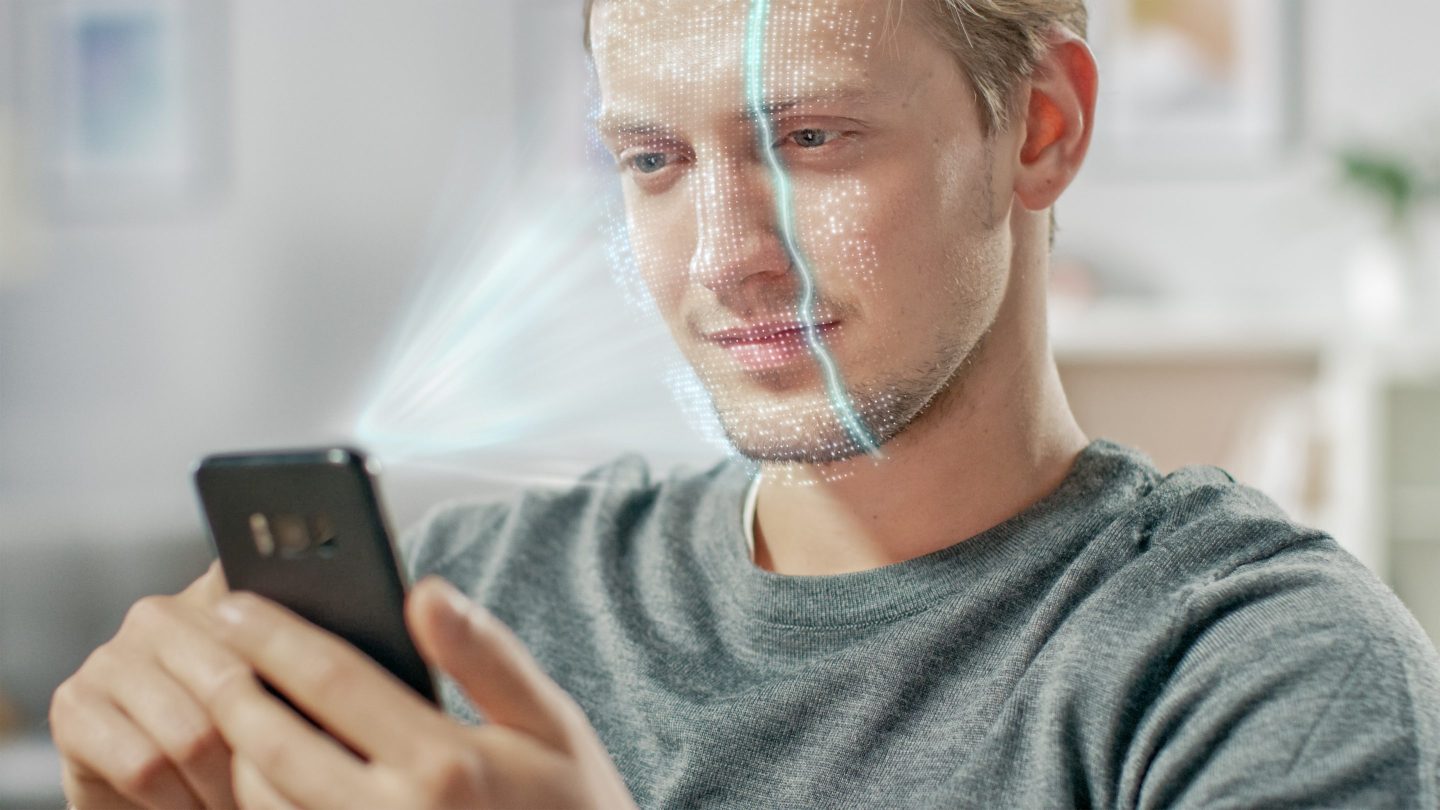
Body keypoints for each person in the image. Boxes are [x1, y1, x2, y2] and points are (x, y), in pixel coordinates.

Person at [50, 0, 1440, 807]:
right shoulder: (469, 611)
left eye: (812, 140)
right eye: (652, 162)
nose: (724, 259)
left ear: (1041, 127)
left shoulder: (1252, 669)